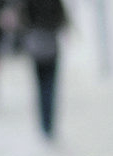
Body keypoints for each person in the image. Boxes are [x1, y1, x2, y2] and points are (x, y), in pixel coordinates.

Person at [16, 0, 66, 140]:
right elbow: (61, 19)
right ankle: (48, 125)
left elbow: (22, 21)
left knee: (40, 86)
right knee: (49, 86)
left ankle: (44, 125)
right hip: (50, 44)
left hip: (36, 45)